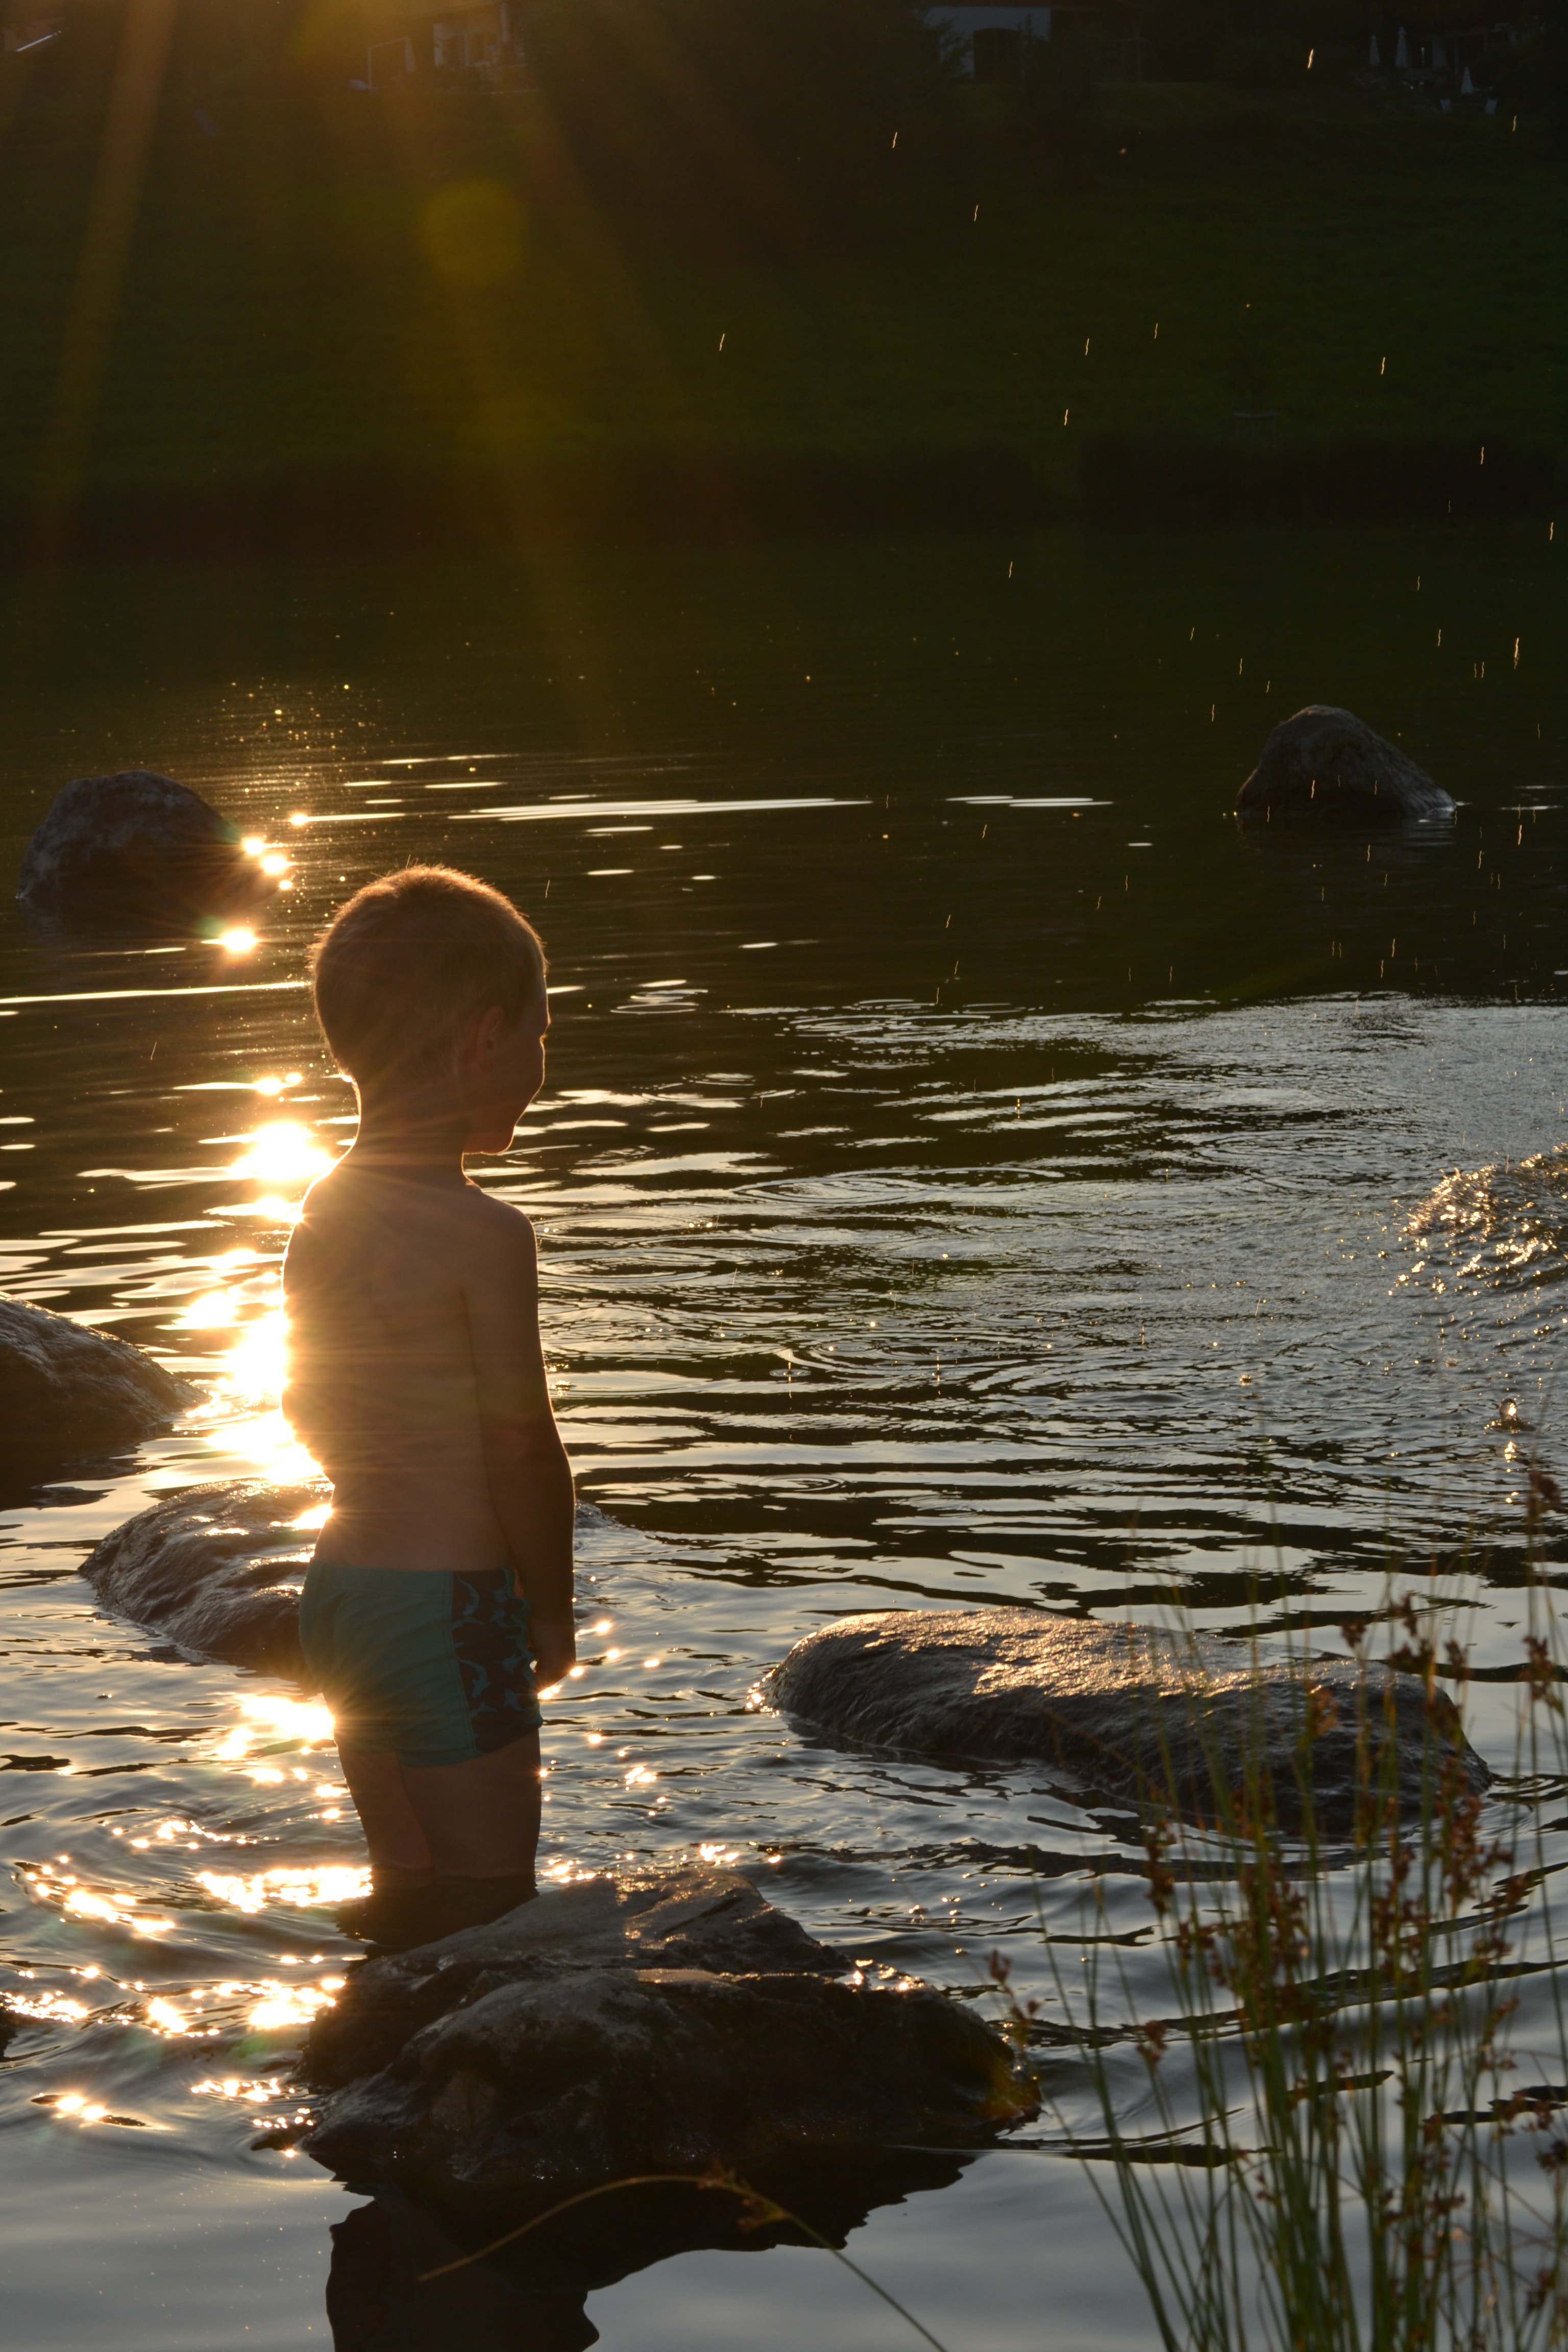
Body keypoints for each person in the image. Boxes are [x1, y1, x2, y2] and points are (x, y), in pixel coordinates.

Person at [281, 865, 575, 1950]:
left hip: (345, 1597)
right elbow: (522, 1445)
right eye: (541, 1035)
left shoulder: (323, 1205)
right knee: (493, 1904)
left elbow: (303, 1398)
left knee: (405, 1891)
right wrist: (552, 1609)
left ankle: (378, 2042)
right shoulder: (487, 1235)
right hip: (450, 1608)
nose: (542, 1063)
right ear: (484, 1041)